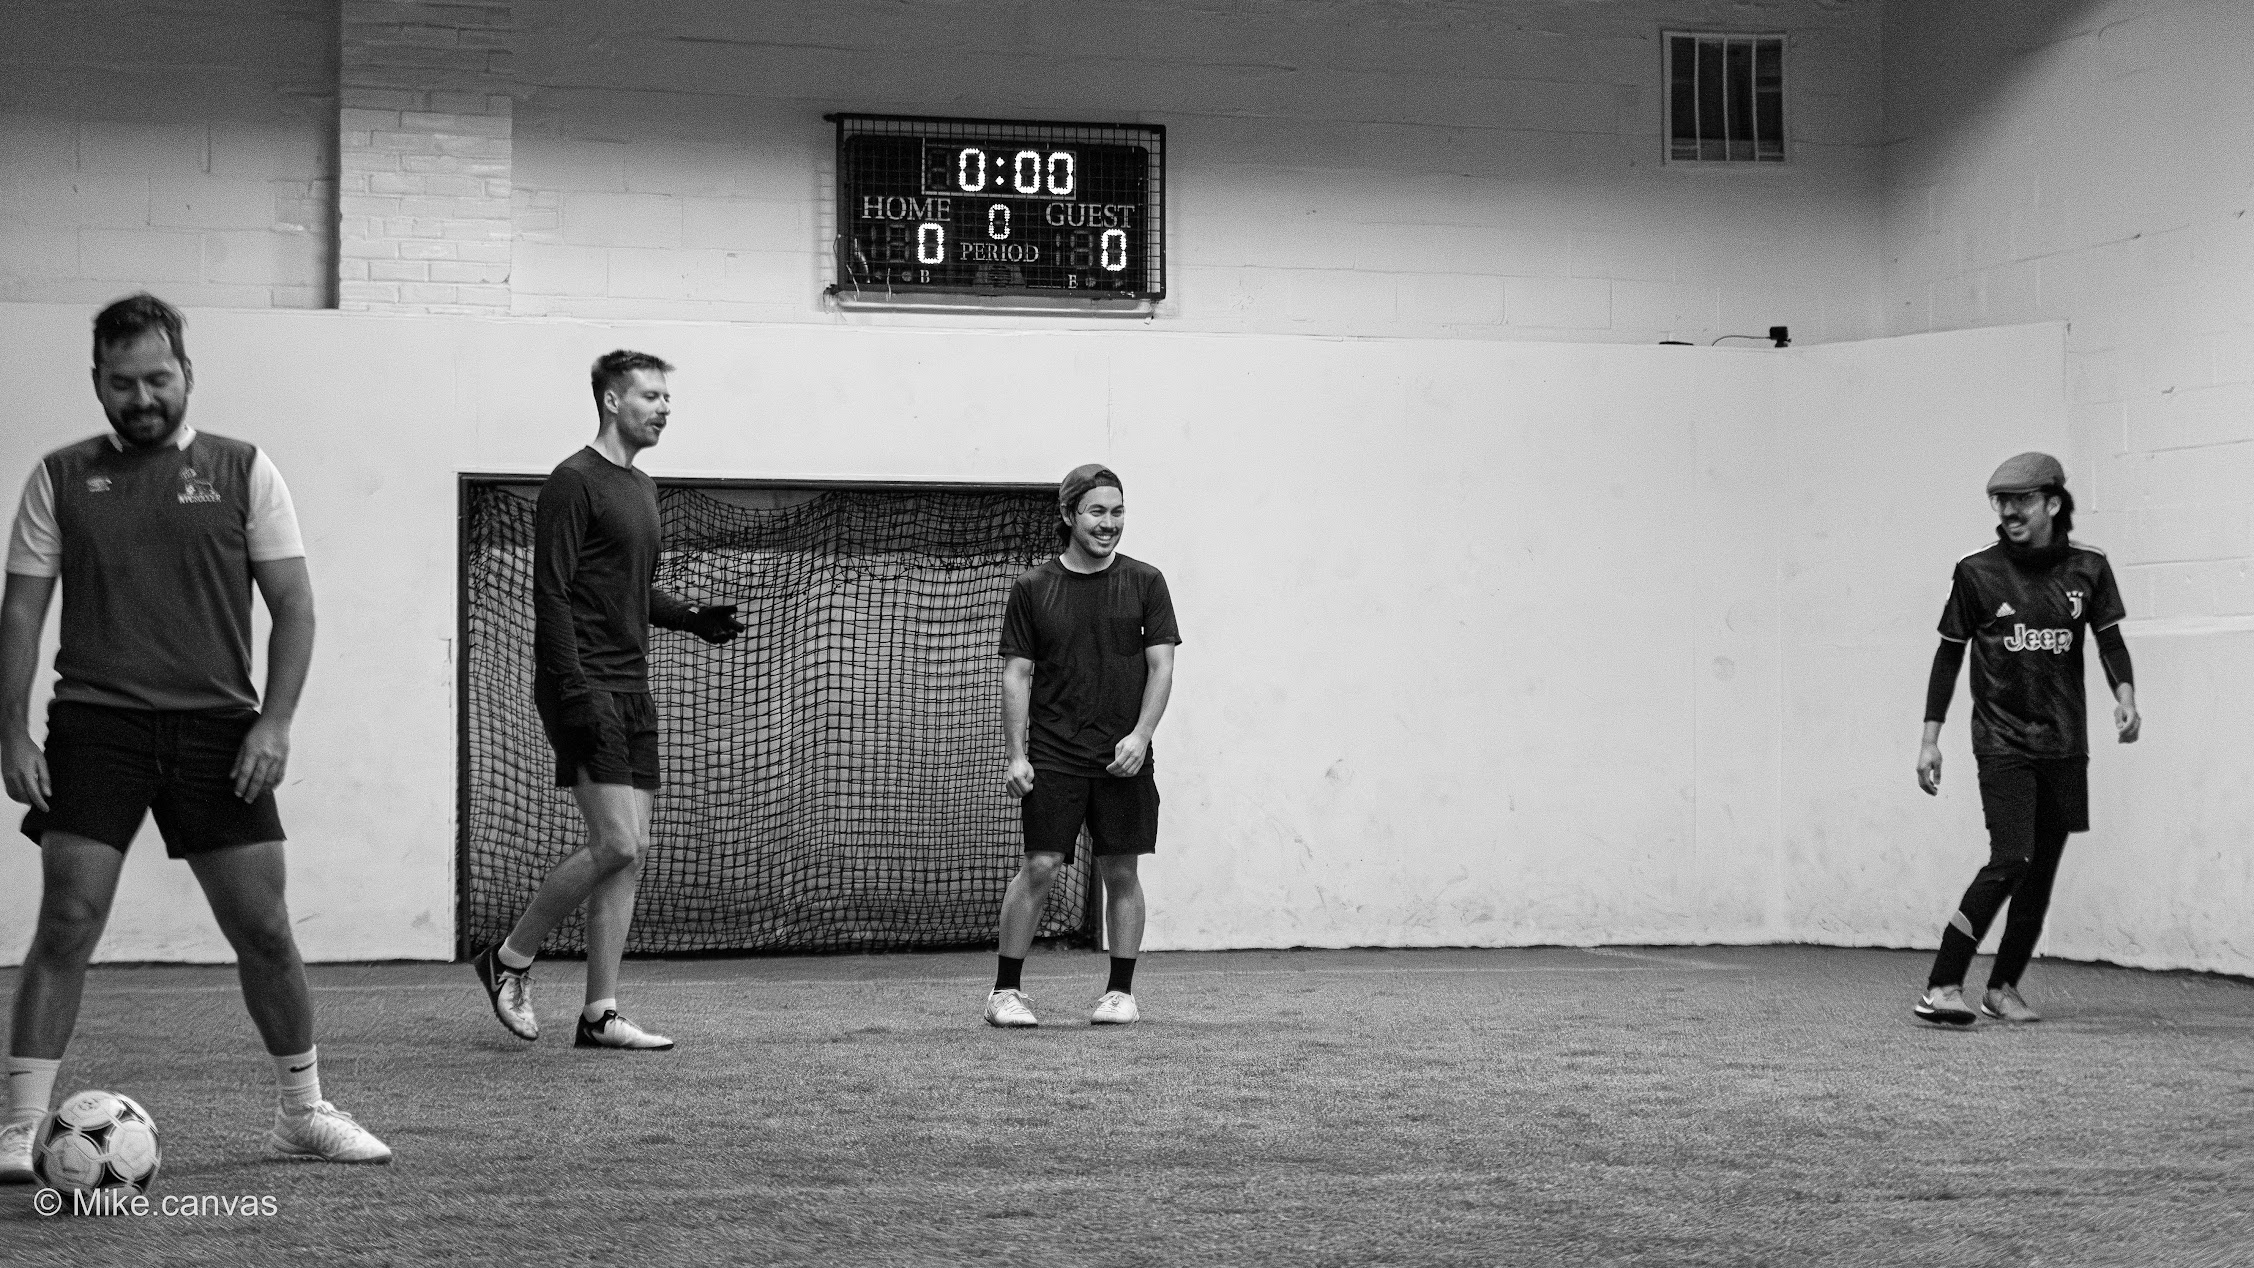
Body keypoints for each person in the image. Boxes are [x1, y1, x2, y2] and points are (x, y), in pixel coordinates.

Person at [1, 293, 390, 1177]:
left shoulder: (244, 470)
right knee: (67, 917)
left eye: (157, 378)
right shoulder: (59, 478)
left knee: (263, 928)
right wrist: (11, 735)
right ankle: (20, 1126)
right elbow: (20, 616)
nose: (141, 397)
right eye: (121, 381)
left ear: (187, 375)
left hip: (220, 730)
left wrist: (276, 722)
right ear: (96, 381)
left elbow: (293, 607)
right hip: (96, 724)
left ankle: (304, 1111)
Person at [470, 350, 742, 1051]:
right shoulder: (573, 481)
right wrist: (572, 688)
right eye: (651, 396)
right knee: (616, 841)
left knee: (632, 853)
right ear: (613, 400)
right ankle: (508, 959)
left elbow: (628, 590)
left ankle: (599, 1014)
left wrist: (687, 616)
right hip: (581, 684)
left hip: (631, 684)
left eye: (667, 398)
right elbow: (552, 593)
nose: (664, 408)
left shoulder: (642, 487)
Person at [1913, 452, 2139, 1026]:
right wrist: (1930, 738)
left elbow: (2109, 640)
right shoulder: (1977, 572)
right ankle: (1942, 984)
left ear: (2053, 503)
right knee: (2011, 857)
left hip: (2065, 743)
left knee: (2041, 872)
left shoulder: (2089, 567)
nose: (2009, 511)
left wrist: (2126, 696)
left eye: (2021, 500)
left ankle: (2003, 987)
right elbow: (1948, 655)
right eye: (2001, 502)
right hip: (2001, 742)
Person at [985, 463, 1179, 1028]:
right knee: (1041, 864)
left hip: (1123, 754)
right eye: (1097, 511)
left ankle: (1119, 993)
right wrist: (1016, 754)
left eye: (1118, 511)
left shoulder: (1146, 582)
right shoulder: (1033, 588)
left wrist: (1141, 737)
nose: (1109, 523)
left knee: (1122, 871)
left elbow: (1161, 665)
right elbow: (1017, 674)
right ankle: (1004, 993)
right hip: (1054, 752)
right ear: (1069, 515)